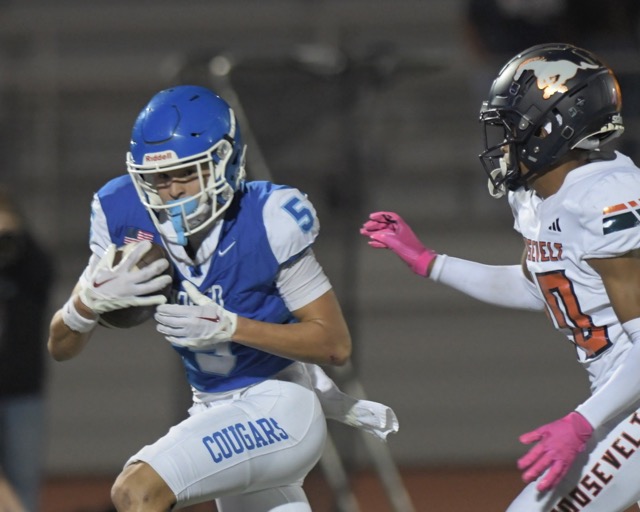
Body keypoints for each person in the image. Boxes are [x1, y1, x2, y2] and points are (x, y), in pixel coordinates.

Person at [48, 85, 397, 511]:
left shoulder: (267, 218)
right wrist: (85, 304)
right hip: (213, 409)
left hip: (279, 402)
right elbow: (59, 347)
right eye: (158, 177)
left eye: (185, 173)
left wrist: (231, 326)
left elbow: (333, 344)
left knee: (136, 490)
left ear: (224, 161)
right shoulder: (122, 213)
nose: (171, 190)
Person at [361, 43, 640, 510]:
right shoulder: (536, 201)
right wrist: (432, 262)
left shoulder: (605, 196)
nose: (502, 143)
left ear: (553, 127)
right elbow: (543, 289)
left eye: (511, 128)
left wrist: (582, 422)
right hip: (619, 400)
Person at [0, 187, 54, 512]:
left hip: (24, 393)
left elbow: (45, 271)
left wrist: (15, 235)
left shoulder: (27, 271)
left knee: (24, 480)